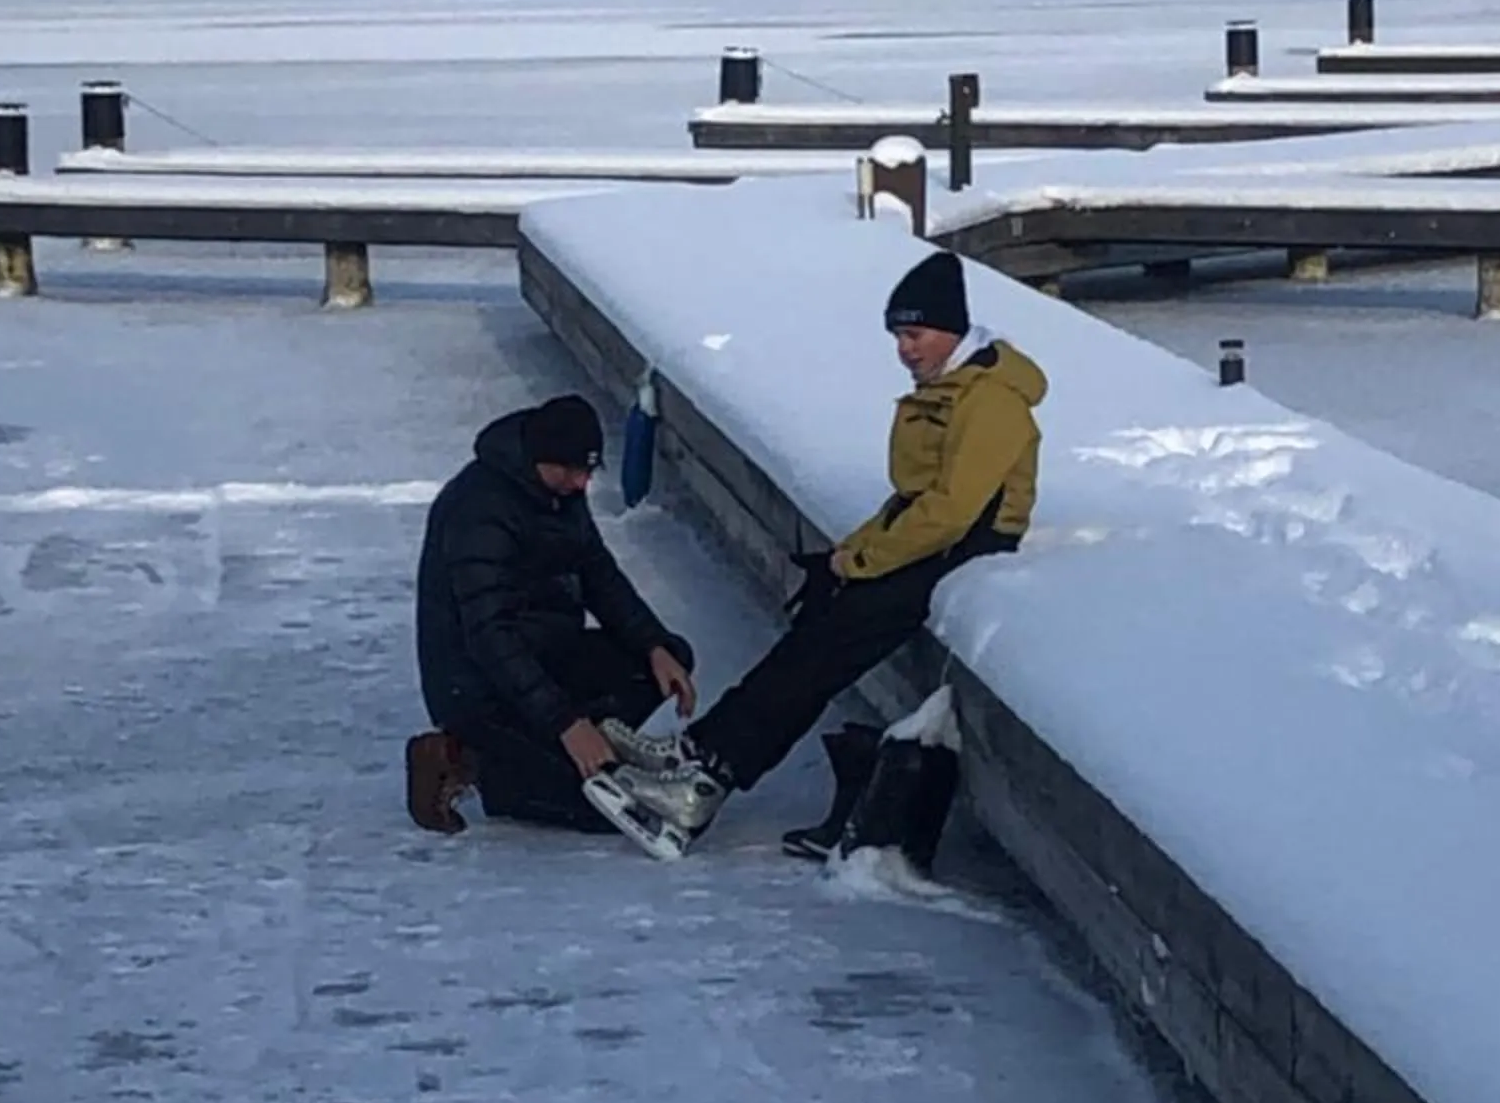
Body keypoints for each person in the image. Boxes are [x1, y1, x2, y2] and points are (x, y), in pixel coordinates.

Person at [586, 250, 1043, 858]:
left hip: (964, 551)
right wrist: (847, 555)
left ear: (953, 330)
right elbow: (912, 500)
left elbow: (952, 512)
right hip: (929, 541)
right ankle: (700, 752)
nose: (905, 349)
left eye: (916, 334)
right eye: (898, 336)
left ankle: (704, 781)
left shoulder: (990, 401)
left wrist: (859, 563)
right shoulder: (950, 386)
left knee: (823, 652)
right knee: (813, 629)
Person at [407, 394, 696, 836]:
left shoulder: (558, 491)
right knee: (597, 810)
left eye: (588, 471)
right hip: (477, 685)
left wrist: (653, 644)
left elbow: (598, 573)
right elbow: (489, 636)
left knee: (666, 660)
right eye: (571, 470)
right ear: (540, 459)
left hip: (547, 653)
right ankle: (466, 755)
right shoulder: (479, 512)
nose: (581, 484)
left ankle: (573, 747)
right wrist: (565, 723)